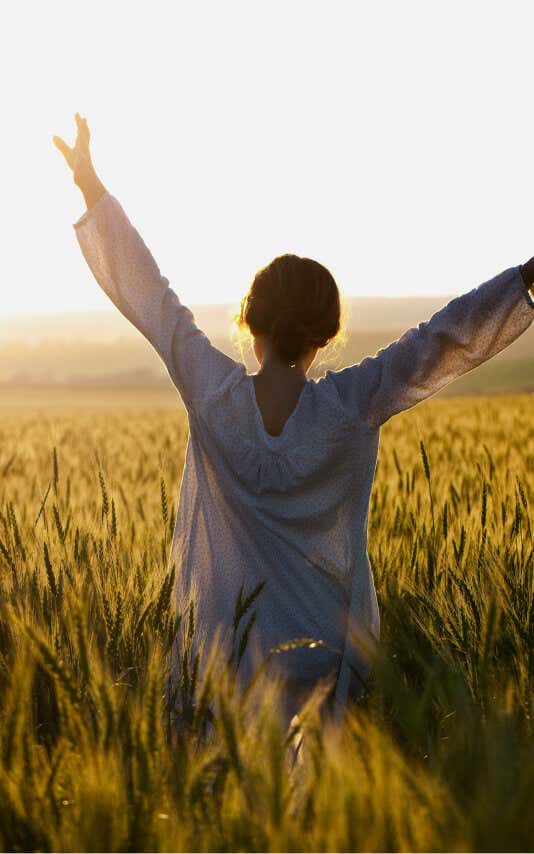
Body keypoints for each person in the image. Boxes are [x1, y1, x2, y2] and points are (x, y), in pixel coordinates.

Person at [53, 114, 534, 737]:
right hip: (326, 658)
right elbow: (441, 339)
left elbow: (152, 298)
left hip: (228, 660)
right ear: (325, 335)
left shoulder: (212, 394)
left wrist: (91, 186)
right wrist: (525, 279)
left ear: (249, 322)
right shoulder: (353, 404)